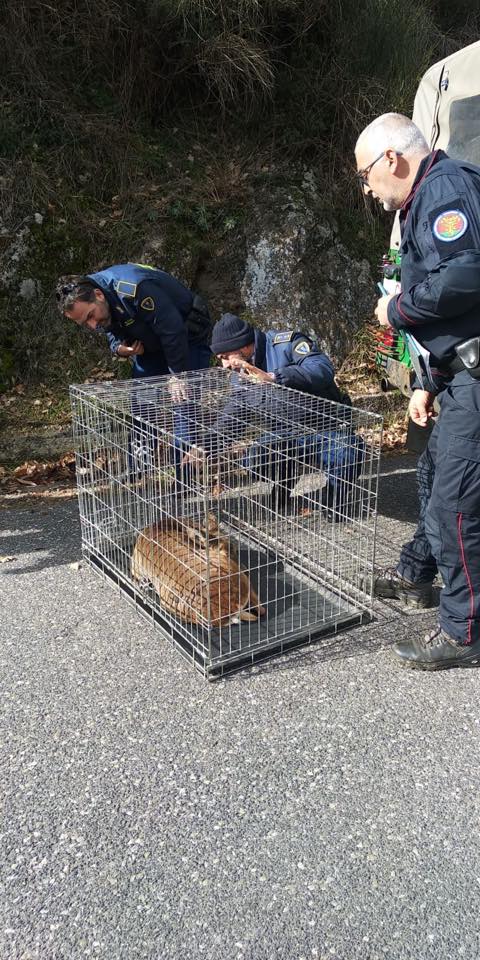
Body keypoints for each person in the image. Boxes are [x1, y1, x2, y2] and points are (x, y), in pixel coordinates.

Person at [355, 112, 480, 670]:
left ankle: (463, 632)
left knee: (455, 502)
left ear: (392, 158)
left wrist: (397, 308)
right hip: (459, 373)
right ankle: (419, 577)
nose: (366, 188)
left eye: (365, 175)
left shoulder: (445, 190)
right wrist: (429, 384)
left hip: (476, 377)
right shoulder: (425, 197)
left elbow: (467, 275)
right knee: (436, 481)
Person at [180, 313, 363, 518]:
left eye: (225, 357)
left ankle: (333, 494)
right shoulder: (240, 373)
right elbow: (234, 416)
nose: (224, 365)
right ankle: (285, 479)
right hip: (285, 435)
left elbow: (322, 368)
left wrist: (275, 377)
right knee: (254, 459)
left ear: (244, 347)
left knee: (347, 452)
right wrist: (205, 446)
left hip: (326, 427)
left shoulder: (286, 344)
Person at [56, 262, 212, 376]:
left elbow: (172, 328)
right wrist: (119, 348)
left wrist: (178, 376)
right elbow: (111, 327)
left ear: (99, 295)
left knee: (183, 400)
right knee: (141, 401)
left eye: (90, 316)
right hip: (151, 343)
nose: (93, 325)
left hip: (186, 334)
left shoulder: (132, 288)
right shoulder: (96, 299)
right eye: (85, 323)